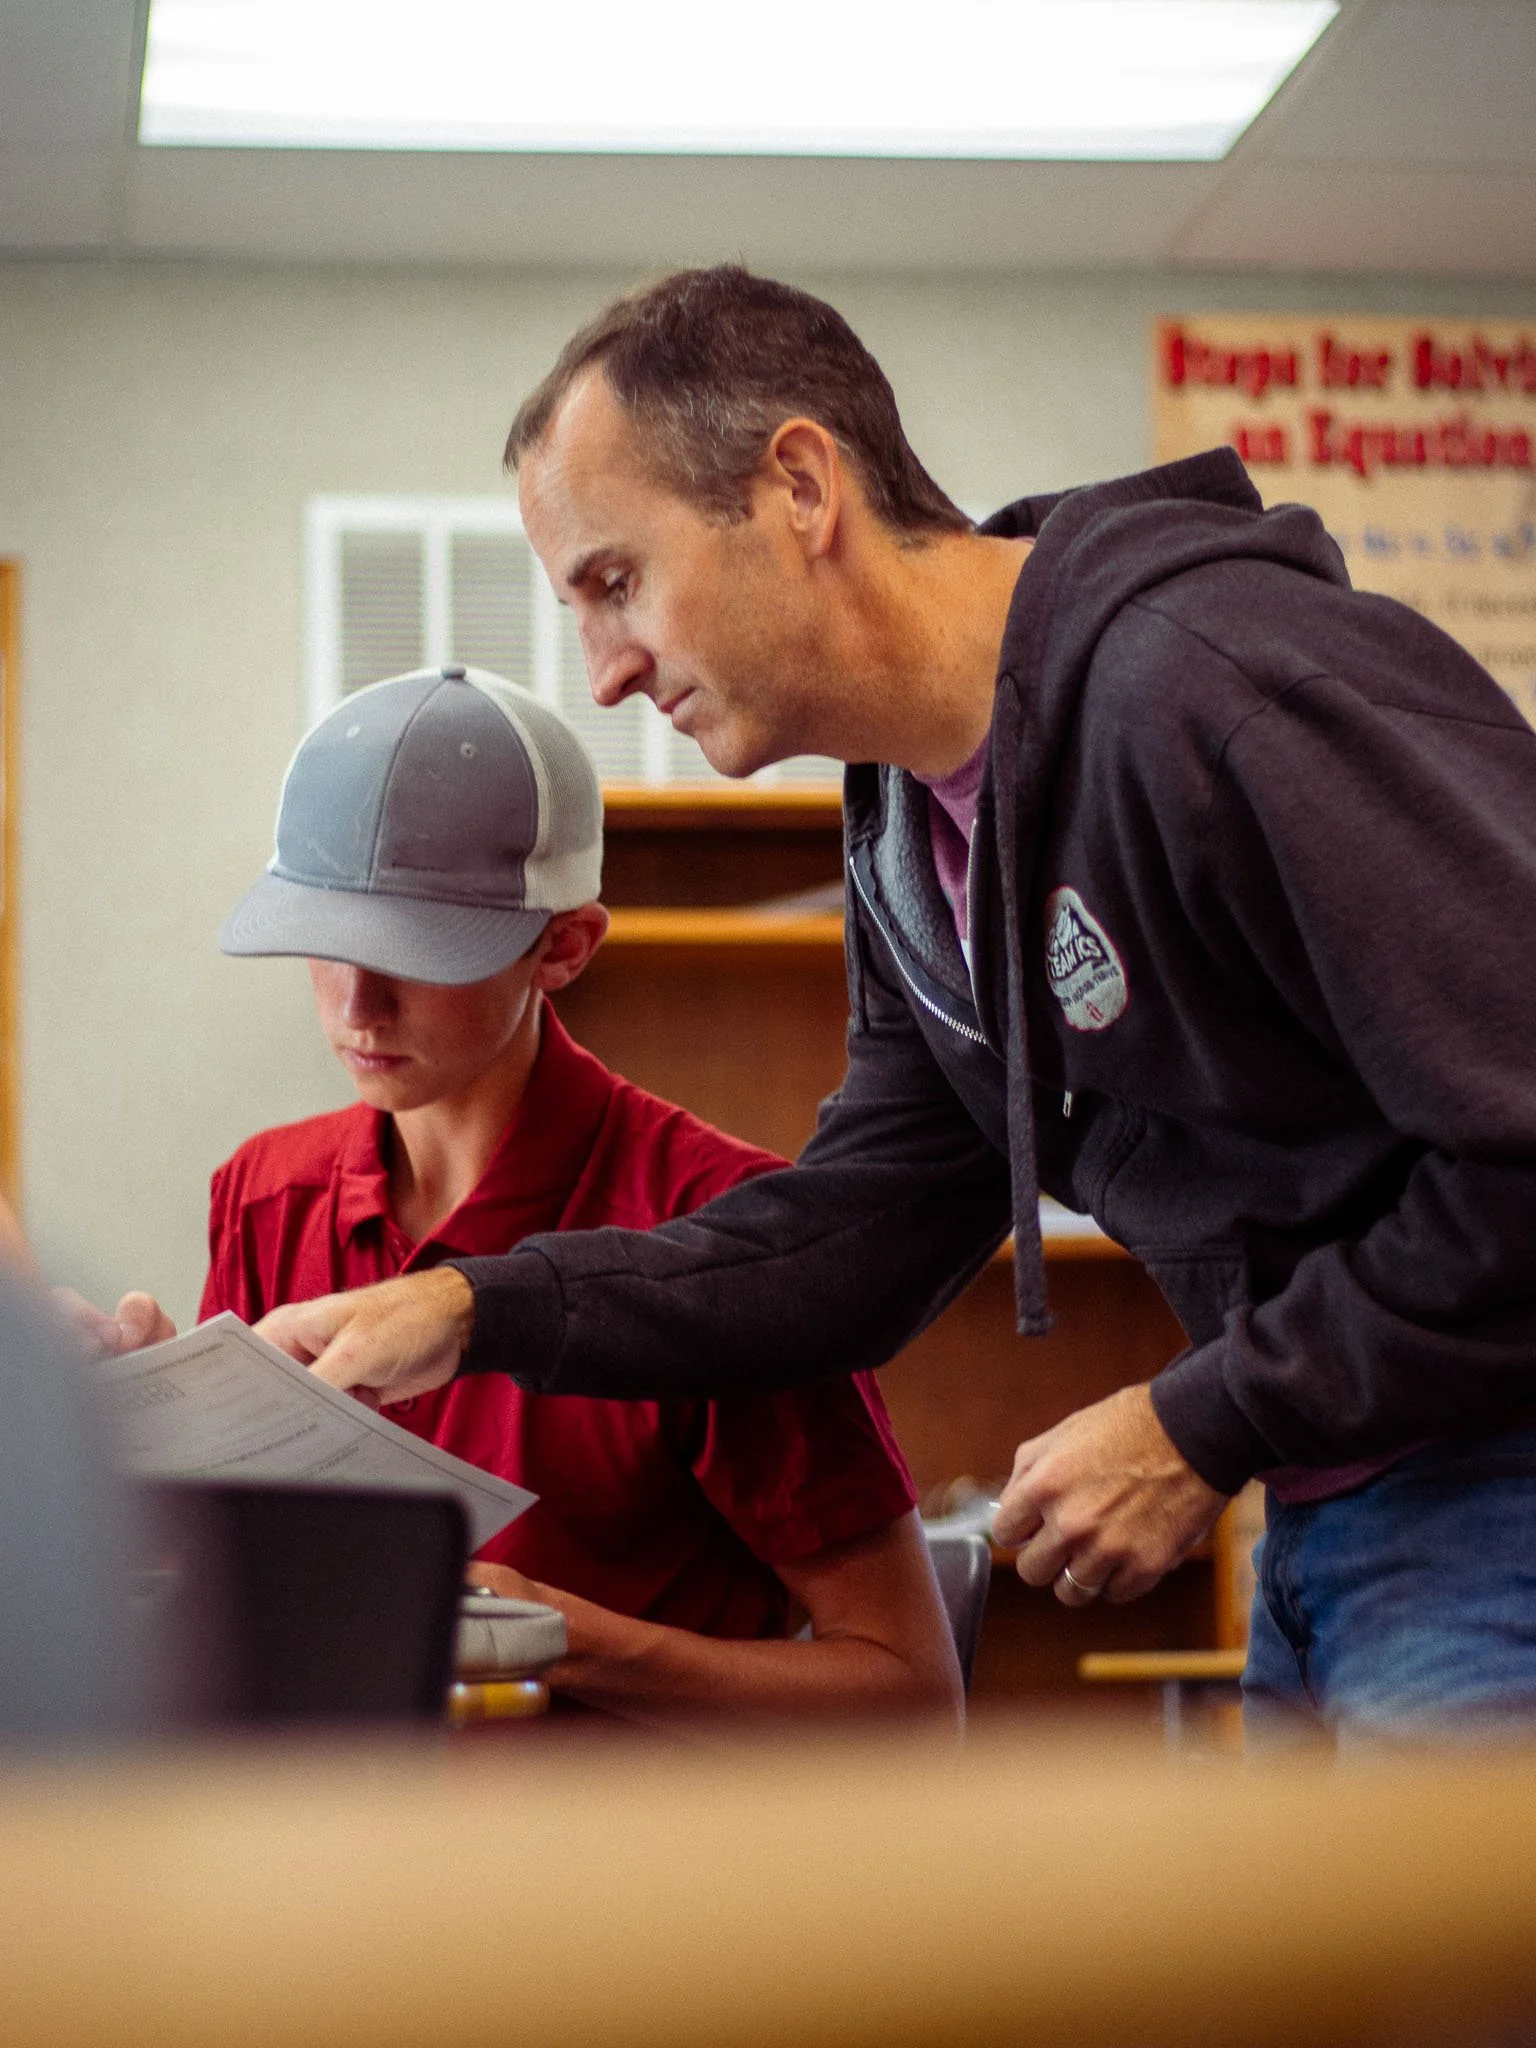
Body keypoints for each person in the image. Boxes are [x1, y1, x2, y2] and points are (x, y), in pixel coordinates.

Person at [257, 268, 1536, 1744]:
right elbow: (855, 1242)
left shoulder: (1213, 681)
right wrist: (475, 1308)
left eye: (617, 582)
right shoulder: (906, 834)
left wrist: (1205, 1417)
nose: (603, 674)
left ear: (799, 485)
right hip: (1339, 1515)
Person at [124, 662, 961, 1730]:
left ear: (562, 946)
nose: (356, 1003)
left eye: (413, 950)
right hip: (341, 1850)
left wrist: (560, 1639)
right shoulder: (265, 1194)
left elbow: (912, 1697)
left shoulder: (725, 1236)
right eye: (325, 941)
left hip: (616, 1873)